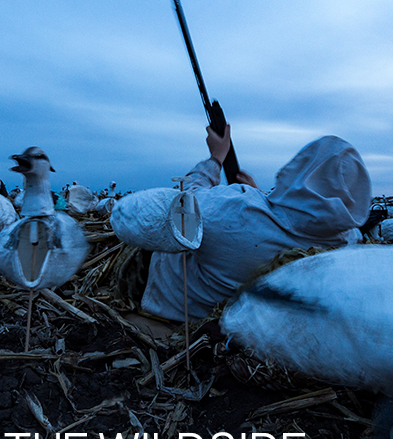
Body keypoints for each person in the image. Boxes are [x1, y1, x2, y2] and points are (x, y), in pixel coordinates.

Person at [139, 125, 372, 321]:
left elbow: (184, 200)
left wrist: (216, 157)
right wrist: (260, 194)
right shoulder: (347, 244)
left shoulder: (233, 212)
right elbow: (298, 221)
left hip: (177, 316)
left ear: (299, 167)